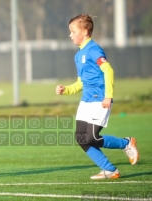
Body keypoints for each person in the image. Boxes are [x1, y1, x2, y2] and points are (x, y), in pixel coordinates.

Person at [55, 14, 139, 179]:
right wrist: (66, 90)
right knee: (81, 138)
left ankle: (126, 143)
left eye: (73, 31)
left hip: (99, 99)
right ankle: (110, 170)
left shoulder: (94, 50)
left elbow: (108, 70)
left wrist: (108, 96)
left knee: (92, 137)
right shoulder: (78, 55)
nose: (70, 35)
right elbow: (81, 83)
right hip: (86, 101)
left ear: (85, 31)